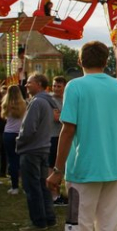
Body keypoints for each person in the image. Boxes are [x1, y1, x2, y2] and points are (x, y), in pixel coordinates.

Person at [46, 41, 117, 231]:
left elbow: (68, 128)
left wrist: (57, 169)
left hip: (82, 169)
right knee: (108, 221)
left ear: (80, 61)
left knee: (76, 220)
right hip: (112, 169)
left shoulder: (76, 87)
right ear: (106, 61)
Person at [17, 74, 59, 231]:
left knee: (32, 186)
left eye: (29, 83)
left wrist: (19, 142)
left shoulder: (36, 103)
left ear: (39, 84)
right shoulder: (47, 102)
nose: (26, 85)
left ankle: (38, 221)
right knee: (43, 185)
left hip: (32, 149)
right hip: (43, 148)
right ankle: (49, 218)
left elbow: (28, 129)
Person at [2, 84, 27, 195]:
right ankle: (26, 186)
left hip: (8, 133)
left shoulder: (6, 105)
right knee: (23, 160)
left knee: (12, 160)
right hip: (20, 133)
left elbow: (3, 117)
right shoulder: (24, 104)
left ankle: (14, 186)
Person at [50, 76, 67, 204]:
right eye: (54, 86)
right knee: (53, 165)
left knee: (61, 165)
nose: (55, 88)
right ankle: (53, 195)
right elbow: (56, 117)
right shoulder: (51, 100)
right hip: (53, 136)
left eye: (58, 86)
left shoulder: (66, 99)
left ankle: (58, 192)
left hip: (64, 135)